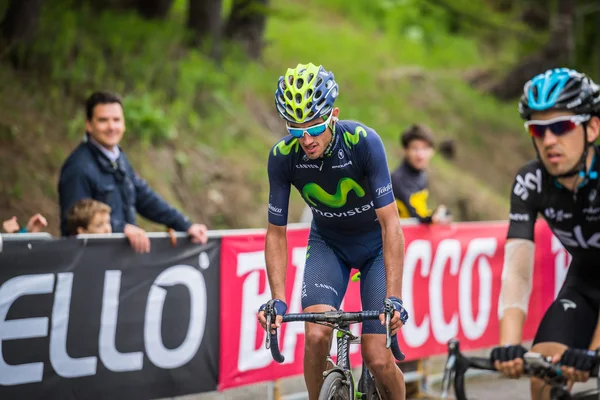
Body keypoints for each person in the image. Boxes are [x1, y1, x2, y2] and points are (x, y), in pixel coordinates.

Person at [257, 63, 409, 400]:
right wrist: (278, 299)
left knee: (378, 358)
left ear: (334, 115)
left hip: (375, 249)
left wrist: (394, 299)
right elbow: (275, 233)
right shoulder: (283, 157)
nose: (306, 139)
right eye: (296, 130)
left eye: (315, 127)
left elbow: (391, 224)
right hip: (329, 244)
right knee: (315, 336)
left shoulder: (363, 142)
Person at [492, 68, 600, 399]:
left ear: (592, 127)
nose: (549, 140)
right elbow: (516, 271)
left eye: (561, 126)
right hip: (585, 283)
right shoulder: (530, 182)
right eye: (538, 130)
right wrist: (509, 345)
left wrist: (593, 353)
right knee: (543, 374)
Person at [58, 91, 208, 253]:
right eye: (103, 120)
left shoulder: (119, 159)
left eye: (116, 120)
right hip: (95, 262)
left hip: (123, 261)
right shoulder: (78, 168)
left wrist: (185, 225)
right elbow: (73, 223)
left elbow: (145, 198)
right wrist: (122, 229)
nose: (111, 127)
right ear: (88, 124)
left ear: (124, 124)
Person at [390, 124, 451, 224]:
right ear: (405, 150)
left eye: (425, 148)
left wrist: (439, 213)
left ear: (432, 151)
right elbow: (416, 217)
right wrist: (433, 217)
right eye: (415, 148)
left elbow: (422, 211)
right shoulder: (398, 179)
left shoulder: (422, 174)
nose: (420, 155)